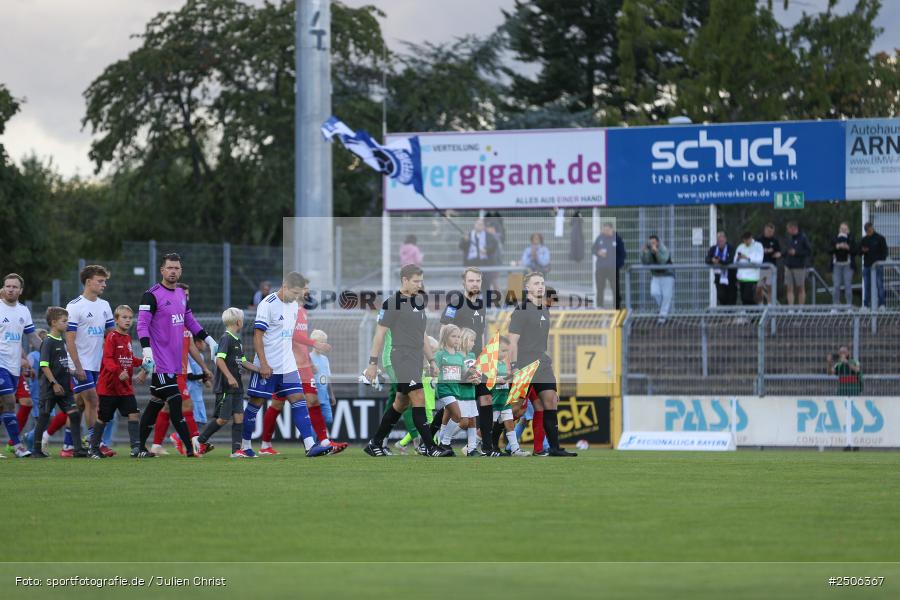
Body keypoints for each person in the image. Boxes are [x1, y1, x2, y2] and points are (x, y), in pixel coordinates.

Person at [362, 264, 452, 457]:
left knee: (400, 403)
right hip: (401, 356)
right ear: (404, 280)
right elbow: (379, 334)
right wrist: (372, 363)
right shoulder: (392, 303)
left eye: (421, 281)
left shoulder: (418, 301)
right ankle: (429, 447)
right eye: (415, 281)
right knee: (418, 396)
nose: (419, 285)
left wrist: (432, 360)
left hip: (416, 357)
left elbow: (423, 334)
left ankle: (375, 443)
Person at [135, 253, 218, 458]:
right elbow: (142, 325)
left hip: (175, 364)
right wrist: (147, 351)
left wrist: (209, 340)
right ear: (162, 270)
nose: (173, 271)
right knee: (176, 402)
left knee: (155, 405)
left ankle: (138, 447)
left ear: (180, 271)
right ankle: (191, 449)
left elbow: (191, 322)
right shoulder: (151, 295)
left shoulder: (181, 294)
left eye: (177, 268)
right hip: (160, 362)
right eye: (169, 268)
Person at [242, 272, 332, 458]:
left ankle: (310, 446)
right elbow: (257, 336)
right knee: (256, 404)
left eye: (299, 292)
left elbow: (290, 337)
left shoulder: (293, 306)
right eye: (294, 292)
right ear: (284, 285)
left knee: (299, 400)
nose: (296, 296)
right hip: (268, 366)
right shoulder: (267, 304)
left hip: (288, 366)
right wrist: (264, 364)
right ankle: (244, 445)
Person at [507, 271, 576, 457]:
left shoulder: (545, 309)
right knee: (516, 409)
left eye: (542, 283)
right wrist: (513, 366)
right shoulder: (521, 310)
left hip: (542, 363)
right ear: (527, 287)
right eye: (536, 283)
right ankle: (487, 441)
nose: (540, 286)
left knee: (551, 401)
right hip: (524, 364)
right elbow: (512, 341)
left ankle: (554, 448)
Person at [438, 267, 500, 456]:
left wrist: (484, 360)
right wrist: (452, 356)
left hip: (476, 361)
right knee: (455, 407)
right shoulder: (456, 302)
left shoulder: (481, 305)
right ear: (463, 283)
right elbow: (444, 329)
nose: (475, 284)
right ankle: (435, 440)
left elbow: (480, 335)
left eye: (478, 281)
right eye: (471, 280)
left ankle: (487, 446)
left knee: (486, 398)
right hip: (458, 361)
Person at [64, 265, 115, 457]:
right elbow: (69, 339)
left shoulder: (105, 306)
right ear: (88, 282)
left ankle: (68, 445)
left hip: (96, 364)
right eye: (100, 281)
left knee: (79, 404)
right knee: (93, 400)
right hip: (78, 364)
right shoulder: (74, 306)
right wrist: (77, 366)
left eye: (105, 281)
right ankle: (96, 442)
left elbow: (110, 336)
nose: (104, 285)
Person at [196, 308, 259, 457]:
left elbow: (243, 362)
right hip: (226, 386)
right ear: (239, 321)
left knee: (239, 417)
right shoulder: (226, 338)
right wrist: (230, 377)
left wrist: (260, 369)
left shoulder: (237, 340)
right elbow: (219, 359)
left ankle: (236, 451)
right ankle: (200, 440)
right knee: (223, 419)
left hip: (237, 387)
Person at [89, 305, 149, 459]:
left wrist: (142, 362)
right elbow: (107, 359)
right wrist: (118, 371)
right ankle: (93, 448)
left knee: (133, 413)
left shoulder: (127, 338)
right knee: (104, 417)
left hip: (125, 387)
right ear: (116, 320)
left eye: (130, 318)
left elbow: (129, 359)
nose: (128, 320)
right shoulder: (111, 337)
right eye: (124, 317)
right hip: (109, 387)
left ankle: (135, 448)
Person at [32, 307, 84, 458]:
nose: (67, 323)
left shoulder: (62, 340)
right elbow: (44, 365)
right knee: (44, 417)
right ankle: (36, 450)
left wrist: (74, 372)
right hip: (51, 388)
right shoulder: (48, 342)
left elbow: (62, 364)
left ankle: (78, 449)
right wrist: (54, 383)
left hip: (65, 388)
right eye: (64, 321)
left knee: (74, 415)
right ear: (54, 323)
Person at [0, 274, 42, 458]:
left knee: (3, 407)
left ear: (20, 290)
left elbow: (32, 337)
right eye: (8, 286)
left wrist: (53, 349)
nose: (11, 289)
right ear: (3, 288)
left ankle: (15, 445)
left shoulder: (24, 311)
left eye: (14, 287)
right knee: (9, 401)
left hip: (14, 366)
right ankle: (18, 446)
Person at [491, 336, 528, 456]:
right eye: (503, 350)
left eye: (507, 351)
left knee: (509, 423)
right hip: (494, 400)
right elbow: (486, 380)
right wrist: (497, 379)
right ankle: (472, 445)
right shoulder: (491, 364)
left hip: (504, 399)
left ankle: (515, 449)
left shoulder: (503, 364)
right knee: (489, 425)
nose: (505, 354)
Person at [592, 222, 626, 309]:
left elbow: (622, 254)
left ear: (611, 229)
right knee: (600, 288)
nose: (605, 231)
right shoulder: (600, 238)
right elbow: (593, 249)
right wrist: (598, 252)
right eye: (604, 230)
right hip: (601, 268)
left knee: (615, 288)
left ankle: (617, 307)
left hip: (613, 269)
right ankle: (600, 306)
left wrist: (617, 265)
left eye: (607, 230)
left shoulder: (617, 239)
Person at [640, 235, 675, 318]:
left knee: (666, 296)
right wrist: (644, 253)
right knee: (654, 293)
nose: (652, 244)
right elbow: (645, 263)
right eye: (650, 243)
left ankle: (662, 319)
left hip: (667, 275)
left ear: (658, 242)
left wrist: (656, 251)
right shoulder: (649, 250)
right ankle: (665, 313)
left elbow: (663, 261)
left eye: (653, 243)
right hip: (656, 276)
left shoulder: (663, 248)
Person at [309, 329, 336, 427]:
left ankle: (313, 437)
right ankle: (311, 439)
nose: (323, 345)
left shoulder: (325, 359)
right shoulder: (308, 358)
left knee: (328, 419)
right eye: (320, 342)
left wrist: (331, 395)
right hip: (313, 396)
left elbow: (328, 378)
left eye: (324, 343)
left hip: (324, 396)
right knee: (315, 419)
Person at [860, 221, 888, 309]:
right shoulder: (864, 240)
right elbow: (859, 252)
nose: (869, 231)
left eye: (870, 229)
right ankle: (866, 305)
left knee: (880, 285)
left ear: (872, 228)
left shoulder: (880, 238)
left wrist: (880, 261)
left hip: (878, 266)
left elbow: (885, 252)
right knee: (867, 285)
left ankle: (882, 305)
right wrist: (862, 251)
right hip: (867, 266)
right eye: (867, 230)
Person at [830, 222, 857, 306]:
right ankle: (835, 306)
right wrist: (837, 247)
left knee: (848, 285)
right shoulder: (834, 238)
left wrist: (848, 247)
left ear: (848, 230)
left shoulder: (851, 239)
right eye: (842, 229)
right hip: (836, 265)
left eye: (845, 229)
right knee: (836, 286)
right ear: (839, 230)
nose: (843, 231)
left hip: (848, 265)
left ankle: (849, 306)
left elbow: (856, 251)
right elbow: (828, 249)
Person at [784, 222, 811, 305]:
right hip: (788, 267)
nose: (787, 231)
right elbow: (786, 250)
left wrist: (796, 252)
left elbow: (808, 251)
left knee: (800, 288)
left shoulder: (803, 237)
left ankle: (800, 308)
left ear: (793, 228)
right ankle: (791, 308)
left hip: (799, 267)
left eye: (788, 229)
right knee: (789, 288)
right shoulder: (789, 238)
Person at [706, 232, 736, 306]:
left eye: (721, 241)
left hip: (730, 278)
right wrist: (712, 260)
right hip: (719, 278)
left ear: (725, 239)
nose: (720, 242)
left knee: (731, 298)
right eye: (718, 241)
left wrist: (719, 261)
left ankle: (731, 315)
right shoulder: (713, 249)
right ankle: (724, 315)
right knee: (721, 297)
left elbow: (730, 260)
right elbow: (707, 259)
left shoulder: (731, 248)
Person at [735, 231, 764, 306]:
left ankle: (755, 315)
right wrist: (738, 258)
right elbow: (735, 261)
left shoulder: (758, 246)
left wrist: (747, 257)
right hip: (741, 277)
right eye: (744, 240)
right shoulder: (740, 246)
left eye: (747, 239)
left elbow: (759, 260)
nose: (746, 241)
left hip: (752, 278)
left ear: (751, 238)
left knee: (749, 297)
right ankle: (749, 316)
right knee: (744, 299)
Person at [755, 223, 781, 305]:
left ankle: (770, 305)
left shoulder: (775, 241)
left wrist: (778, 254)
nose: (770, 233)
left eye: (772, 231)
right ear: (765, 230)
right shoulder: (758, 240)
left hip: (770, 268)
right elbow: (755, 252)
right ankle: (760, 304)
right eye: (768, 231)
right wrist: (765, 251)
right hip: (760, 268)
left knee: (770, 287)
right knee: (759, 288)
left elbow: (778, 252)